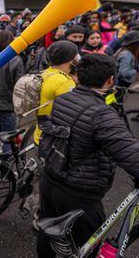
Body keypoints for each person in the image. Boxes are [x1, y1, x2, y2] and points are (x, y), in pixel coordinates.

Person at [37, 53, 139, 257]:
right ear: (110, 80)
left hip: (51, 178)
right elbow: (130, 153)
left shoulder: (64, 98)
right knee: (87, 247)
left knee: (48, 235)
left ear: (78, 76)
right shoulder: (101, 114)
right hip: (80, 193)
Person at [33, 41, 78, 148]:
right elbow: (72, 112)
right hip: (54, 141)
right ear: (71, 59)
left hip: (39, 134)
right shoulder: (64, 81)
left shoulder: (45, 73)